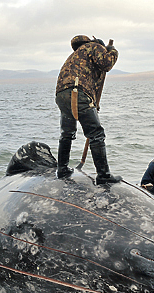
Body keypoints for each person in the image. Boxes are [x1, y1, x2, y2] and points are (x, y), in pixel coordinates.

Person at [55, 35, 121, 184]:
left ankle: (62, 169)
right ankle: (103, 176)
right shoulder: (93, 46)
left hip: (62, 94)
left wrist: (92, 102)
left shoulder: (75, 56)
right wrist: (112, 51)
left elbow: (92, 80)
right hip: (77, 93)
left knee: (67, 133)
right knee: (96, 134)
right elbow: (107, 63)